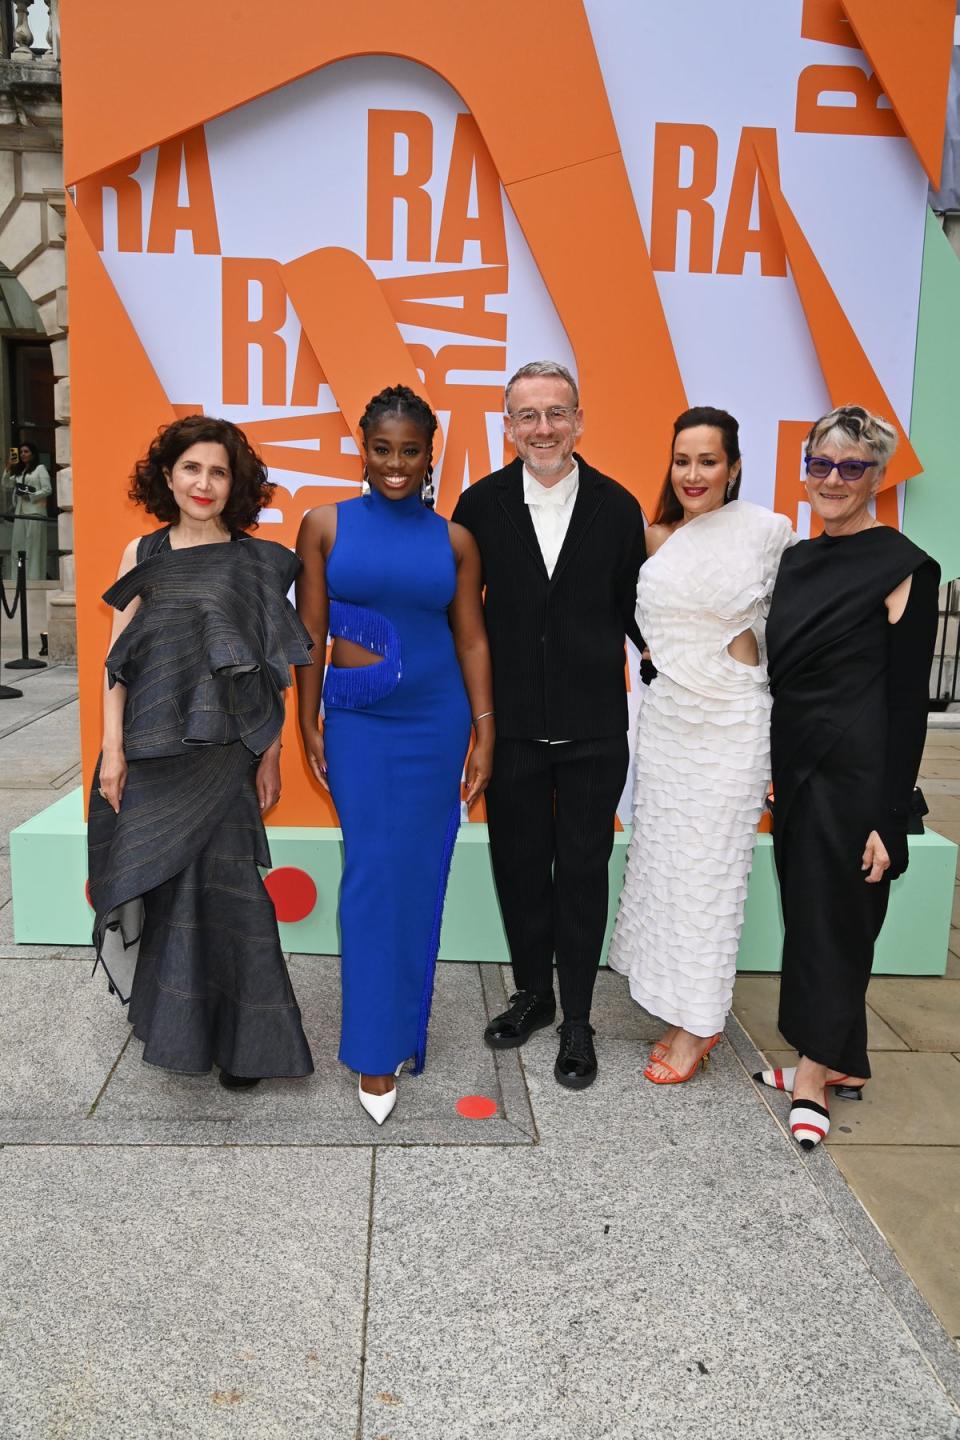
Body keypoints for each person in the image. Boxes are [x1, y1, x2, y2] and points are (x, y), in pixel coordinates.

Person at [87, 415, 315, 1088]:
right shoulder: (142, 554)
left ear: (234, 482)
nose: (204, 483)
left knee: (232, 896)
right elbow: (116, 661)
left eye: (218, 471)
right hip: (151, 754)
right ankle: (176, 1027)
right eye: (192, 468)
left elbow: (274, 670)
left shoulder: (257, 563)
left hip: (226, 755)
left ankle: (249, 1046)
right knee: (168, 894)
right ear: (167, 476)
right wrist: (110, 751)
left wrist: (270, 756)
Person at [295, 384, 493, 1125]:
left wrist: (486, 729)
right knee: (373, 875)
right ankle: (374, 1051)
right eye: (383, 449)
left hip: (436, 721)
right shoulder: (322, 525)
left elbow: (471, 637)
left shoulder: (454, 541)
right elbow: (308, 634)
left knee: (419, 870)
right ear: (364, 447)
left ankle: (405, 1032)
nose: (396, 463)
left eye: (411, 450)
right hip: (360, 724)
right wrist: (307, 717)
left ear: (429, 452)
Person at [452, 361, 645, 1089]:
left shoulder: (617, 506)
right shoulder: (478, 505)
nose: (542, 428)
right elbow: (463, 617)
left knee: (583, 875)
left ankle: (580, 1022)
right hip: (513, 728)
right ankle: (533, 994)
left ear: (579, 421)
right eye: (527, 415)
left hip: (596, 726)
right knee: (520, 868)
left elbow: (639, 611)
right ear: (507, 426)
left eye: (555, 413)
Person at [756, 404, 939, 1148]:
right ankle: (842, 1058)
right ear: (805, 471)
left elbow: (908, 706)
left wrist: (889, 816)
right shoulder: (796, 560)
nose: (834, 479)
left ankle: (811, 1074)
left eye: (853, 466)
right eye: (821, 465)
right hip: (795, 766)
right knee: (809, 915)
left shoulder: (905, 566)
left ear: (877, 477)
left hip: (857, 773)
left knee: (839, 923)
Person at [608, 407, 794, 1084]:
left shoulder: (767, 532)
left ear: (734, 466)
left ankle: (703, 1021)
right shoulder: (655, 538)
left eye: (708, 461)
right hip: (666, 726)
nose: (693, 474)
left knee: (713, 873)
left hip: (733, 726)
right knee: (669, 871)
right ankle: (680, 1002)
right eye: (682, 460)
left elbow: (790, 635)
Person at [3, 441, 52, 580]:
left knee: (34, 546)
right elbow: (6, 484)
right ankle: (18, 577)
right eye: (21, 452)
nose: (23, 454)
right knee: (18, 545)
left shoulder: (40, 469)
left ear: (33, 454)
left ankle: (34, 577)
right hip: (20, 513)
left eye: (26, 452)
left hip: (35, 512)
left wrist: (30, 495)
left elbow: (48, 489)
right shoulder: (20, 471)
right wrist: (8, 467)